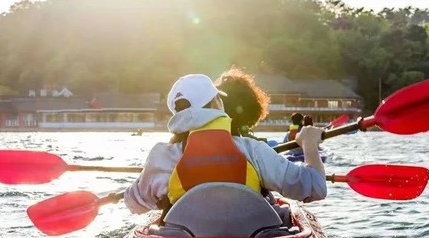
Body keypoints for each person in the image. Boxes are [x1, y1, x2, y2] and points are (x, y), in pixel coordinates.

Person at [123, 73, 326, 217]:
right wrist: (309, 143)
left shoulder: (162, 157)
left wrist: (157, 193)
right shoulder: (253, 150)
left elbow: (134, 205)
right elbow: (316, 188)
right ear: (217, 103)